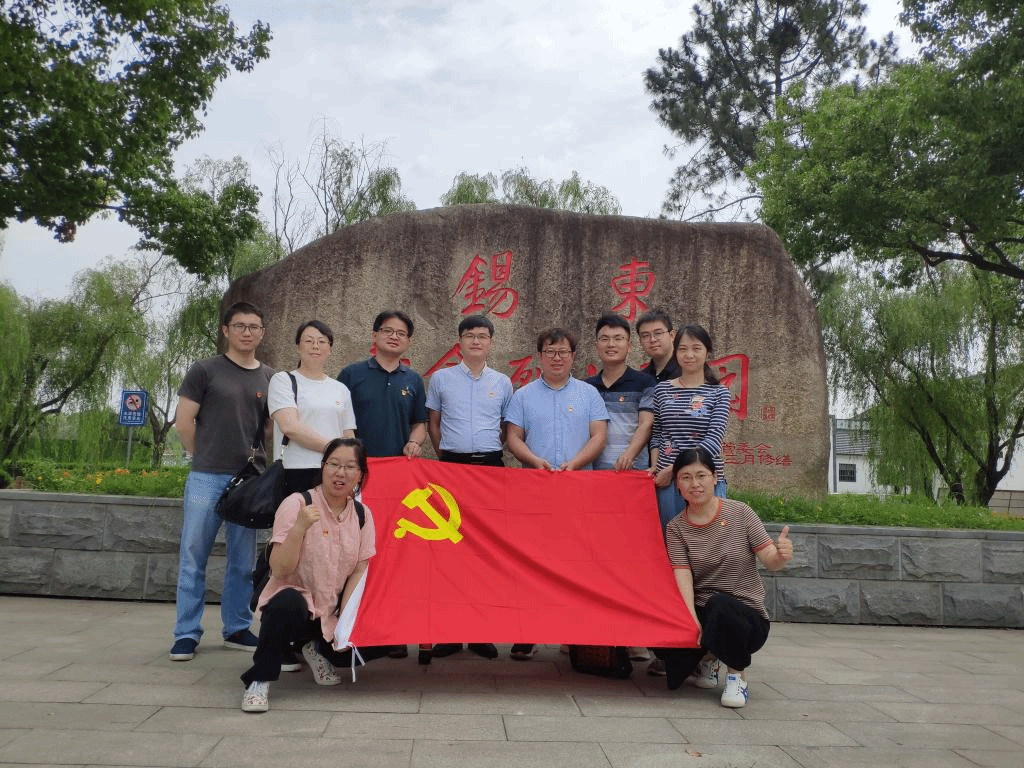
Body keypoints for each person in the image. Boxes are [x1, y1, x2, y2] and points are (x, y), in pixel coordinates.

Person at [240, 438, 378, 712]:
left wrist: (345, 624)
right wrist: (299, 528)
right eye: (334, 464)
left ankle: (316, 648)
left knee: (379, 638)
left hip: (329, 610)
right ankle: (259, 680)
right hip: (295, 603)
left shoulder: (363, 515)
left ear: (361, 474)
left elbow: (359, 570)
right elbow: (280, 569)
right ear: (323, 466)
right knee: (288, 603)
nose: (340, 473)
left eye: (350, 467)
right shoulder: (297, 503)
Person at [170, 302, 274, 662]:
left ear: (262, 333)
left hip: (249, 482)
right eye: (240, 325)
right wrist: (201, 456)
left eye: (254, 326)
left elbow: (269, 428)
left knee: (242, 562)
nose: (247, 332)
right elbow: (184, 421)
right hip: (206, 477)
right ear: (226, 330)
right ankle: (186, 633)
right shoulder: (204, 370)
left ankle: (237, 627)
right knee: (193, 556)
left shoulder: (270, 377)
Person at [653, 447, 793, 708]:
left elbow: (770, 560)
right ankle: (709, 657)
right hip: (705, 614)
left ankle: (737, 676)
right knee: (669, 663)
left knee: (719, 604)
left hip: (745, 616)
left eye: (701, 475)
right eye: (685, 477)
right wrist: (691, 622)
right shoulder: (676, 528)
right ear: (677, 484)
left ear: (715, 478)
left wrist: (781, 556)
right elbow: (683, 577)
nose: (694, 484)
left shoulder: (741, 513)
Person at [505, 327, 609, 660]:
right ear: (540, 356)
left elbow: (599, 435)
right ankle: (527, 632)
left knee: (575, 562)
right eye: (550, 352)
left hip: (579, 489)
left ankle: (571, 632)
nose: (557, 358)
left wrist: (576, 464)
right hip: (534, 490)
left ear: (573, 356)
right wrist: (534, 461)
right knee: (531, 561)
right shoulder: (523, 395)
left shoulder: (588, 394)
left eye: (563, 352)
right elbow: (513, 437)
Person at [338, 309, 427, 659]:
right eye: (387, 331)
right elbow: (340, 421)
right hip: (357, 480)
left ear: (408, 341)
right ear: (374, 335)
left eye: (401, 333)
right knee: (353, 553)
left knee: (392, 554)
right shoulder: (352, 374)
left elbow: (419, 422)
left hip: (397, 484)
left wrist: (415, 442)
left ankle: (392, 633)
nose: (394, 337)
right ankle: (347, 627)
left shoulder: (413, 380)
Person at [426, 314, 513, 661]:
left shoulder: (502, 382)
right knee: (451, 550)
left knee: (485, 551)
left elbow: (507, 427)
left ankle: (480, 632)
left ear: (491, 342)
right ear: (459, 341)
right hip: (452, 467)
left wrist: (489, 451)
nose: (476, 341)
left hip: (490, 468)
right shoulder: (441, 379)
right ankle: (450, 632)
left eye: (482, 336)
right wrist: (445, 455)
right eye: (470, 336)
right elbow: (434, 424)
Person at [584, 312, 658, 663]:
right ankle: (588, 635)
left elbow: (646, 425)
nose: (611, 345)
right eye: (605, 339)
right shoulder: (586, 387)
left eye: (618, 339)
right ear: (596, 344)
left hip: (631, 480)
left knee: (630, 559)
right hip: (593, 481)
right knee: (594, 557)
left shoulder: (645, 382)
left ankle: (632, 637)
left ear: (629, 345)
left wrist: (630, 454)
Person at [649, 324, 731, 532]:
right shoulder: (662, 390)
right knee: (672, 538)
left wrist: (674, 469)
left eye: (696, 348)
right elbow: (657, 434)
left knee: (710, 540)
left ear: (707, 352)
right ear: (675, 352)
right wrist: (656, 468)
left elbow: (713, 441)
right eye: (683, 349)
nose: (689, 355)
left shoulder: (719, 393)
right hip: (668, 483)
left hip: (705, 479)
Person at [269, 320, 356, 495]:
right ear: (298, 347)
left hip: (335, 473)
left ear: (330, 349)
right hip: (295, 470)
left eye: (322, 341)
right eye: (308, 341)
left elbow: (348, 435)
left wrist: (350, 464)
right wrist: (335, 450)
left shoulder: (340, 389)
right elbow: (289, 427)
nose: (315, 346)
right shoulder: (283, 380)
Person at [636, 308, 680, 383]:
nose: (652, 340)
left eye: (658, 333)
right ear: (640, 342)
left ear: (672, 335)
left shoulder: (687, 372)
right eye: (646, 335)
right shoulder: (641, 378)